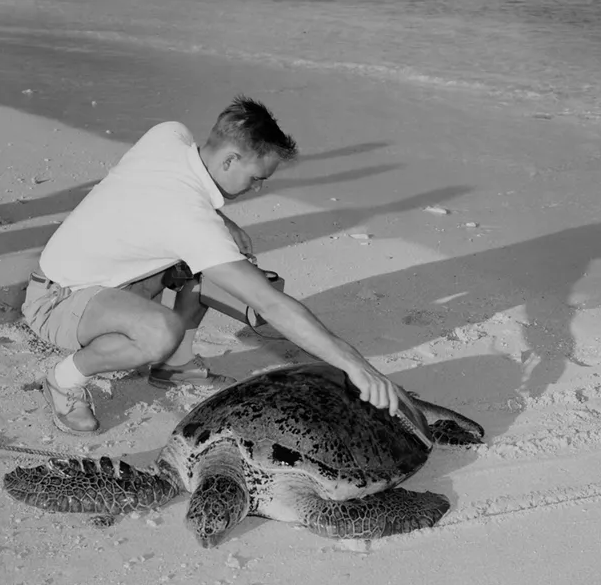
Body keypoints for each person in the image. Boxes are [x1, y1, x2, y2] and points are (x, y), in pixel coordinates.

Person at [22, 96, 401, 434]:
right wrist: (354, 364)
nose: (257, 188)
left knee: (212, 265)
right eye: (256, 179)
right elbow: (270, 304)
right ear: (230, 159)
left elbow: (162, 194)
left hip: (103, 278)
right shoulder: (190, 219)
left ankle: (176, 364)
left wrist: (223, 222)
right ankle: (63, 379)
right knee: (160, 331)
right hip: (57, 300)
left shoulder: (170, 135)